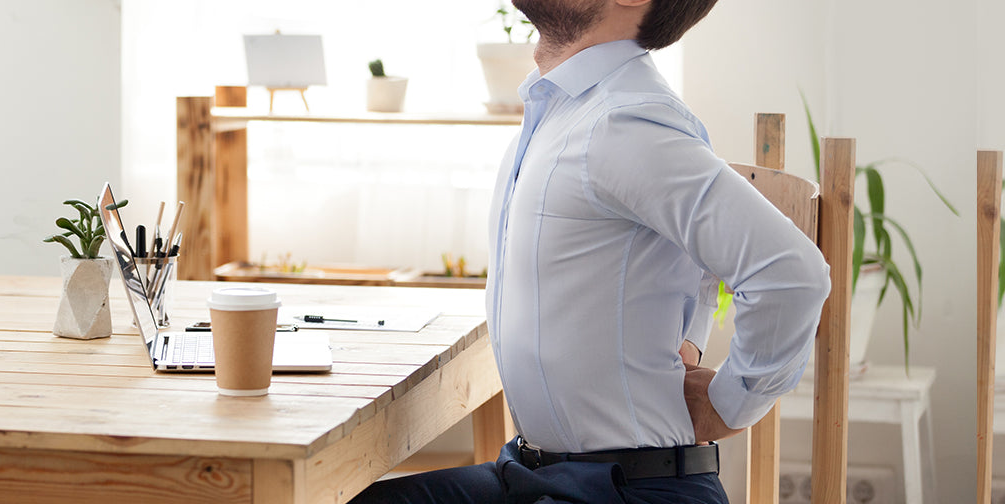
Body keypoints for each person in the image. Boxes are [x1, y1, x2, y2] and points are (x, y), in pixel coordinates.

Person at [351, 0, 831, 502]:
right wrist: (688, 338)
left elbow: (791, 275)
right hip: (534, 471)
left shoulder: (622, 121)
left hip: (629, 488)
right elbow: (697, 255)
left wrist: (727, 405)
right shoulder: (569, 108)